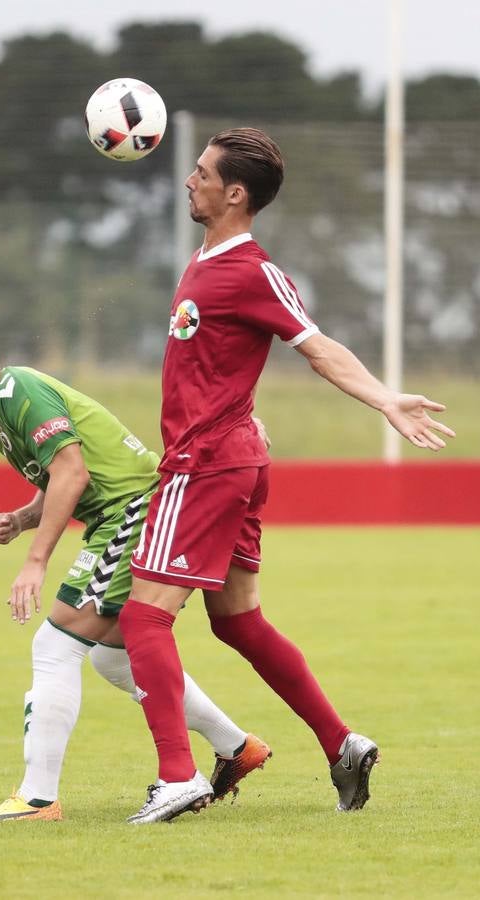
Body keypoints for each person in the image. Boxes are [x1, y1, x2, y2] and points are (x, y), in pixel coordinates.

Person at [118, 127, 456, 824]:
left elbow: (317, 346)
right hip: (230, 455)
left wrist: (385, 397)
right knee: (237, 622)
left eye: (204, 173)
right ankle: (341, 742)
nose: (190, 179)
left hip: (206, 465)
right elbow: (222, 364)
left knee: (143, 616)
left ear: (234, 194)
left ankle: (177, 776)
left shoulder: (249, 269)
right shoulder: (205, 260)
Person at [0, 326, 272, 822]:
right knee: (113, 658)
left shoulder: (16, 390)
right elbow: (59, 478)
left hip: (134, 511)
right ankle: (236, 747)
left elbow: (72, 472)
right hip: (127, 514)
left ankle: (37, 799)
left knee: (55, 644)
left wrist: (36, 563)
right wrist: (22, 520)